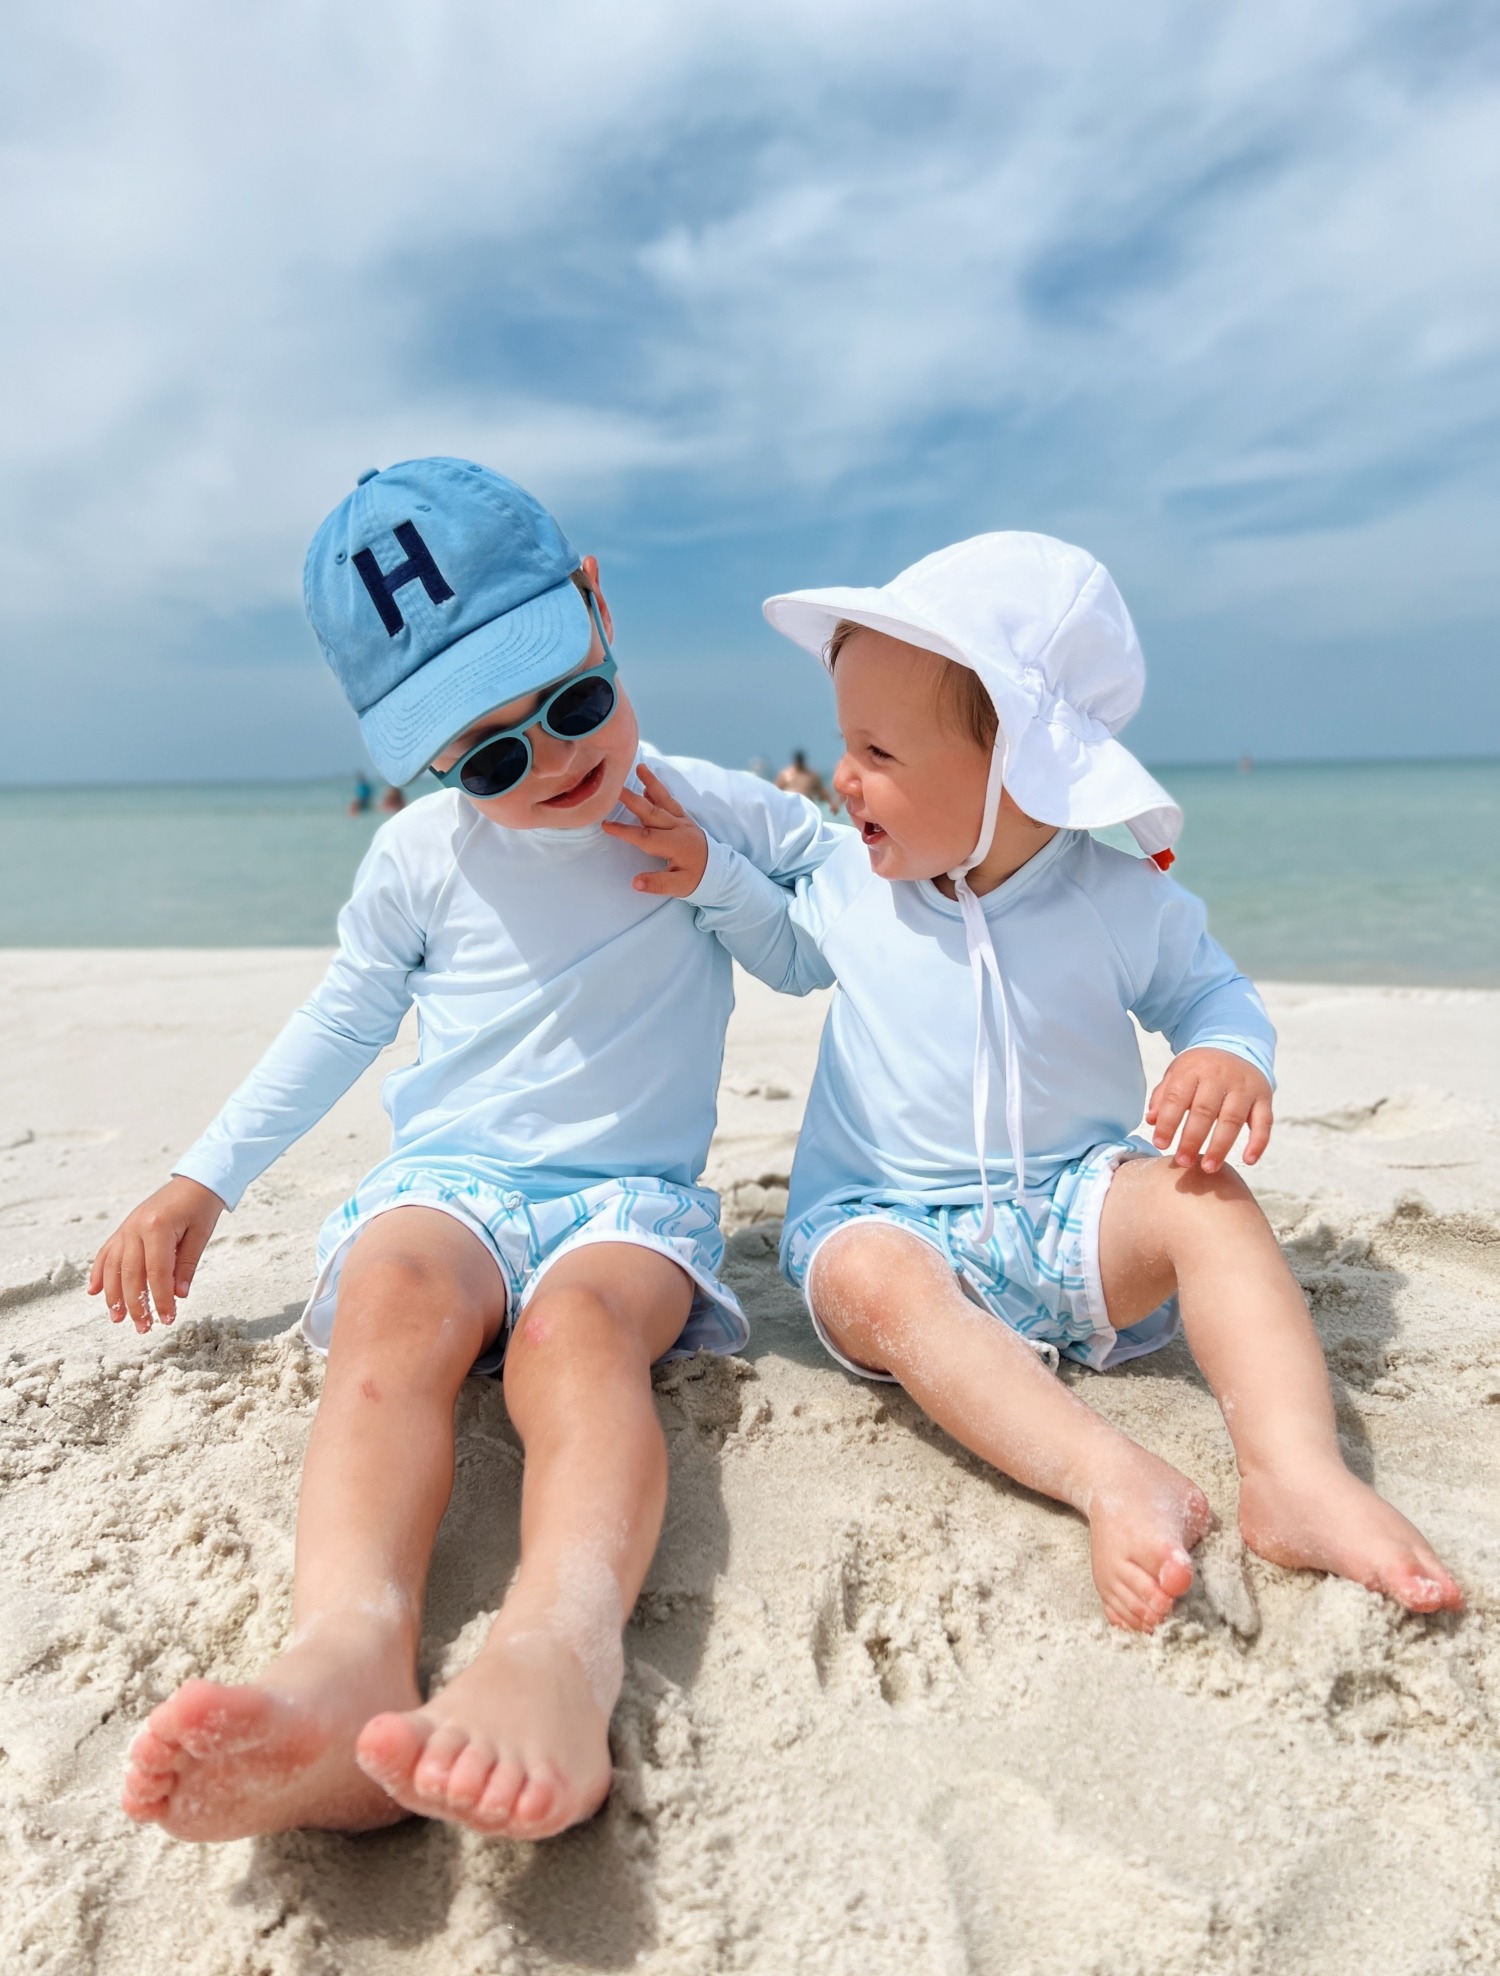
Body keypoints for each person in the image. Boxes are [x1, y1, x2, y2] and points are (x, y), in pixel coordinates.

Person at [94, 459, 841, 1844]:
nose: (552, 762)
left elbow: (831, 942)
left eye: (571, 706)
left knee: (578, 1341)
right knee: (392, 1303)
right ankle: (344, 1651)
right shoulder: (422, 859)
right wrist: (207, 1176)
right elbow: (343, 1019)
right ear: (430, 761)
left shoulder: (712, 806)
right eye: (491, 754)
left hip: (627, 1206)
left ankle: (557, 1648)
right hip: (456, 1186)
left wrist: (717, 883)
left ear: (599, 610)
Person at [623, 532, 1463, 1631]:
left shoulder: (1120, 899)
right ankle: (1105, 1471)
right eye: (843, 742)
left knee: (1203, 1200)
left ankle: (1296, 1471)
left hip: (1068, 1213)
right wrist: (664, 824)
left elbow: (1214, 994)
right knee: (875, 1278)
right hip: (888, 1216)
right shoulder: (846, 876)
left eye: (878, 749)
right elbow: (753, 877)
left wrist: (1225, 1056)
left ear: (1020, 767)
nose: (844, 777)